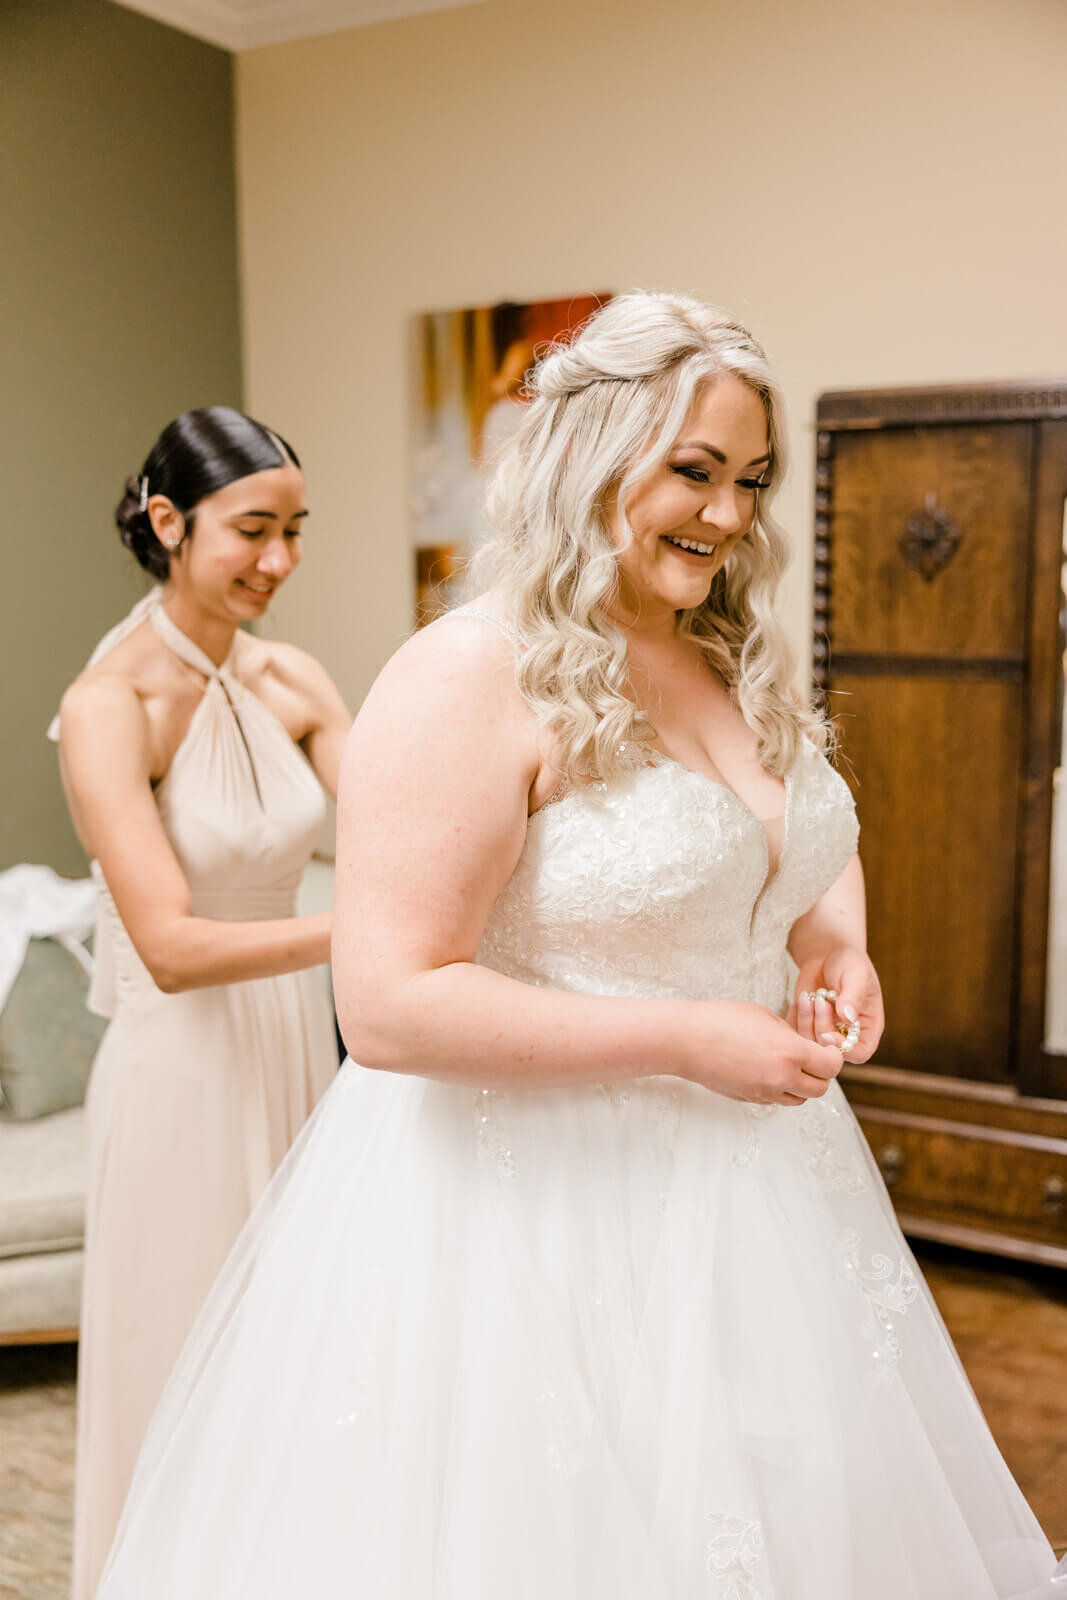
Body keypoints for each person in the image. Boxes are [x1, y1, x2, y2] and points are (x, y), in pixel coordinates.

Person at [98, 302, 1056, 1598]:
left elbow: (790, 831)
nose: (727, 516)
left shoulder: (726, 654)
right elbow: (385, 1006)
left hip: (757, 1202)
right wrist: (690, 1035)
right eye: (693, 471)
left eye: (749, 481)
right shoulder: (464, 676)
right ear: (589, 454)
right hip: (529, 1215)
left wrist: (834, 943)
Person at [54, 407, 351, 1600]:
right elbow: (170, 947)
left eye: (295, 531)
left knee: (303, 1349)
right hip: (181, 1068)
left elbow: (407, 828)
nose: (278, 561)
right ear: (169, 522)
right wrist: (365, 932)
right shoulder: (110, 703)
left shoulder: (296, 680)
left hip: (300, 1055)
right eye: (252, 531)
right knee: (186, 1359)